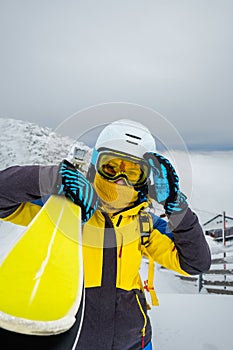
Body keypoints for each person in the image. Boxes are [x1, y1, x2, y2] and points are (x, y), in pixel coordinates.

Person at [0, 119, 211, 350]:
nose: (121, 180)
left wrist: (177, 207)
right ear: (95, 164)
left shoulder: (145, 224)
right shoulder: (64, 210)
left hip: (133, 343)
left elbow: (196, 263)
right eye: (111, 167)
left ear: (144, 179)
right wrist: (54, 179)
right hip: (72, 342)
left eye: (133, 172)